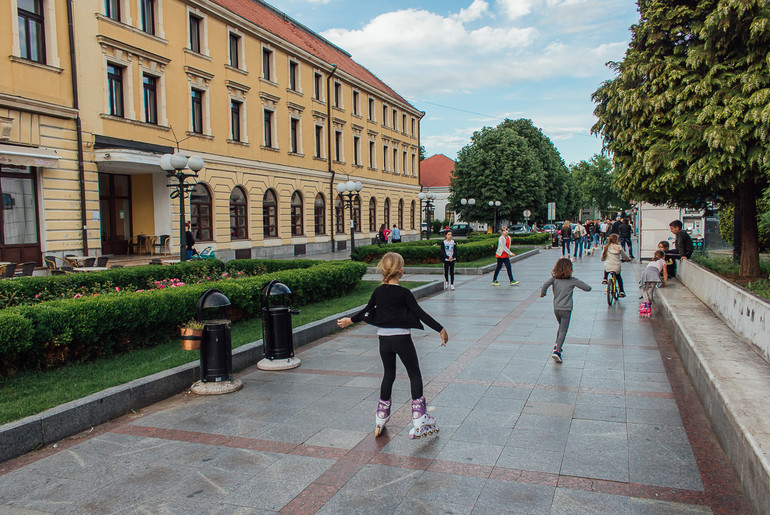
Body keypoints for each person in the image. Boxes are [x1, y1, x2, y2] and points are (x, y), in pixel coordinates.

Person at [337, 252, 448, 439]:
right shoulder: (404, 293)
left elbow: (366, 310)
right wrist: (441, 329)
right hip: (402, 339)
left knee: (389, 374)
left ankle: (381, 414)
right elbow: (420, 313)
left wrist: (350, 320)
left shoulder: (378, 291)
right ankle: (419, 416)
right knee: (414, 373)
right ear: (401, 271)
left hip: (384, 341)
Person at [540, 257, 591, 363]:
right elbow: (587, 288)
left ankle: (556, 344)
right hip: (566, 309)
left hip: (556, 309)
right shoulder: (572, 280)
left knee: (561, 326)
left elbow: (545, 284)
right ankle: (557, 351)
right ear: (570, 269)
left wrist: (543, 294)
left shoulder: (554, 279)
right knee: (563, 330)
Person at [638, 249, 668, 317]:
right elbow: (665, 273)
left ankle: (646, 304)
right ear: (663, 257)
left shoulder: (652, 260)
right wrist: (665, 283)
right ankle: (649, 304)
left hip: (646, 274)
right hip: (654, 275)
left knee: (645, 290)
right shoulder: (663, 261)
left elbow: (647, 269)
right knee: (650, 290)